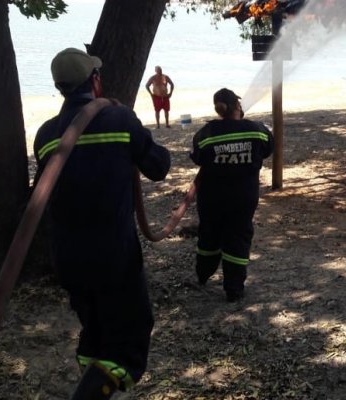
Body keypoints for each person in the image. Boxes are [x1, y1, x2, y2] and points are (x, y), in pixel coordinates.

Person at [33, 48, 171, 399]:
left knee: (94, 329)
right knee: (130, 338)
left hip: (66, 258)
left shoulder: (46, 135)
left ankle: (92, 379)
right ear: (95, 81)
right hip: (114, 256)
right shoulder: (120, 120)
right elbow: (158, 167)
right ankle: (93, 394)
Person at [190, 88, 274, 302]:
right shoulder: (257, 130)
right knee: (238, 238)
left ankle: (202, 275)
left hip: (211, 199)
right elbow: (268, 147)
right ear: (238, 106)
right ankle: (234, 290)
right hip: (243, 198)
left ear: (218, 109)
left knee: (209, 235)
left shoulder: (206, 133)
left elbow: (197, 157)